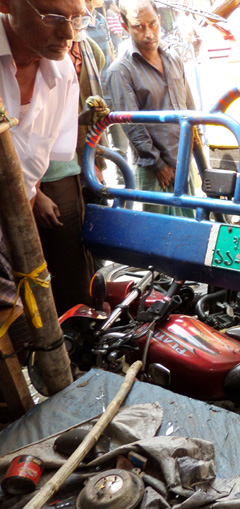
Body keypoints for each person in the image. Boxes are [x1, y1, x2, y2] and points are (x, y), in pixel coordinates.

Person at [0, 0, 86, 335]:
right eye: (52, 17)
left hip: (19, 229)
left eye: (76, 19)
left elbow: (38, 160)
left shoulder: (62, 73)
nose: (68, 33)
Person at [33, 31, 105, 315]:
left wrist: (82, 120)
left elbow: (55, 128)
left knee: (77, 257)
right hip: (45, 183)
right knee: (61, 264)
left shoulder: (68, 61)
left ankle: (84, 318)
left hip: (69, 172)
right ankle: (72, 324)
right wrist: (36, 193)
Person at [105, 0, 197, 217]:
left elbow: (189, 106)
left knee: (191, 228)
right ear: (125, 26)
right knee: (158, 232)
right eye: (139, 26)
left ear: (160, 20)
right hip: (154, 171)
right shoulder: (120, 71)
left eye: (153, 24)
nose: (148, 33)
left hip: (183, 161)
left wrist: (192, 147)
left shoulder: (173, 58)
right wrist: (158, 165)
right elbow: (132, 125)